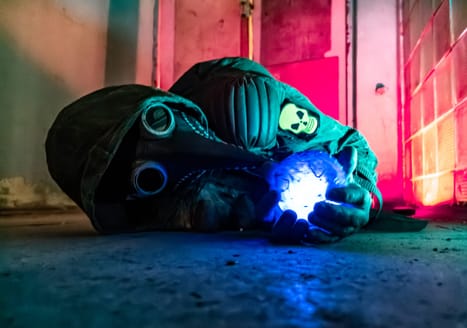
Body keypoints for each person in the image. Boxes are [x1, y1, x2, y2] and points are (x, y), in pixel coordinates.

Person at [45, 57, 383, 244]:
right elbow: (74, 138)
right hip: (184, 115)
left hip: (251, 118)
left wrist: (361, 194)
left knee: (252, 117)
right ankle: (175, 195)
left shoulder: (281, 119)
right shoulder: (166, 125)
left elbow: (355, 147)